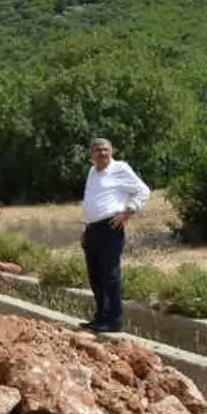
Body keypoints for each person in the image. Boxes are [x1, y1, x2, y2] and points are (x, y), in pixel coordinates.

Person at [80, 138, 150, 333]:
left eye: (105, 150)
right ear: (91, 154)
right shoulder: (93, 171)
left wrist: (127, 212)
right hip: (92, 229)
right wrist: (85, 227)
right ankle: (100, 316)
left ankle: (114, 320)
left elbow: (143, 191)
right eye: (97, 150)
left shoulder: (120, 168)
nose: (102, 153)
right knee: (95, 275)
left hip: (109, 227)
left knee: (110, 274)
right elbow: (91, 200)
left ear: (111, 151)